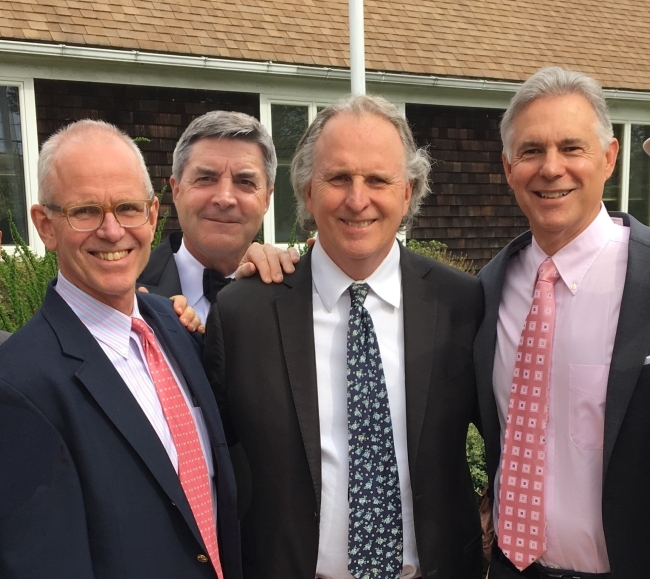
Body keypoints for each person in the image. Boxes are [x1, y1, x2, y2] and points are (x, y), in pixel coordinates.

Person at [204, 95, 484, 579]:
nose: (358, 200)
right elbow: (208, 463)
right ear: (308, 192)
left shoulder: (462, 303)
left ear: (408, 192)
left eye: (378, 179)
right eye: (339, 179)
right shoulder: (242, 314)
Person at [0, 119, 242, 578]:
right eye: (85, 211)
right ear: (44, 225)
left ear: (152, 216)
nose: (112, 231)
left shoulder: (175, 330)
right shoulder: (17, 386)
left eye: (127, 208)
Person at [475, 67, 650, 578]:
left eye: (572, 148)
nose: (551, 169)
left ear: (609, 158)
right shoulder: (486, 291)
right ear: (509, 167)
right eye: (531, 151)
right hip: (511, 568)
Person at [138, 110, 297, 321]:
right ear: (176, 191)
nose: (224, 199)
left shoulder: (295, 296)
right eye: (205, 178)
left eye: (245, 182)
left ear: (267, 199)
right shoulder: (127, 292)